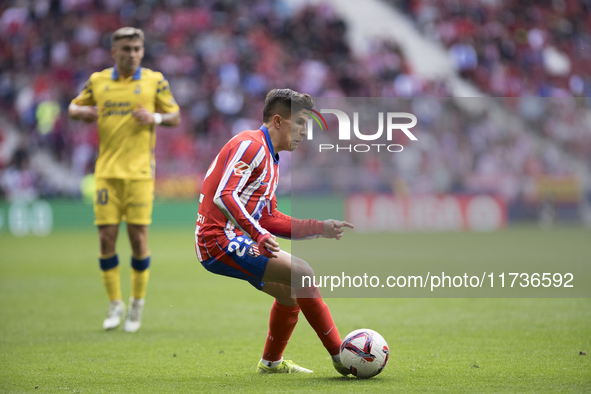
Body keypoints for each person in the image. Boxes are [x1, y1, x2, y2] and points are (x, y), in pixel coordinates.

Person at [195, 88, 354, 374]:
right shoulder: (251, 144)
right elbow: (224, 195)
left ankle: (271, 364)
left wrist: (318, 227)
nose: (305, 131)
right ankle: (341, 356)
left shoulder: (272, 158)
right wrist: (257, 235)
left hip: (235, 236)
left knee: (290, 294)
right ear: (278, 121)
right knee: (302, 273)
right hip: (217, 238)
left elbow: (268, 217)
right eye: (301, 123)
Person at [68, 27, 181, 332]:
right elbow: (73, 106)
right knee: (106, 239)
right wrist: (83, 113)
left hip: (141, 174)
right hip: (106, 173)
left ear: (142, 51)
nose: (131, 53)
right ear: (114, 52)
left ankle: (137, 304)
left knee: (137, 239)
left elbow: (175, 115)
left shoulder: (154, 81)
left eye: (136, 48)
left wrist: (155, 117)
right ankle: (114, 302)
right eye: (126, 49)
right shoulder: (98, 81)